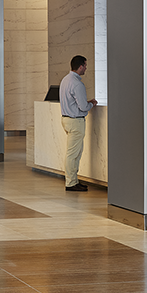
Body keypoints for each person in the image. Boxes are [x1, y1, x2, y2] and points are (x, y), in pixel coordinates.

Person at [59, 55, 97, 192]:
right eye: (85, 65)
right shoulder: (77, 84)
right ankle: (70, 183)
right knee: (73, 154)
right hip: (75, 122)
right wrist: (91, 104)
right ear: (80, 66)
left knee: (75, 153)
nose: (86, 68)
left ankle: (74, 180)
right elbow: (83, 106)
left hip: (66, 119)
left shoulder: (65, 80)